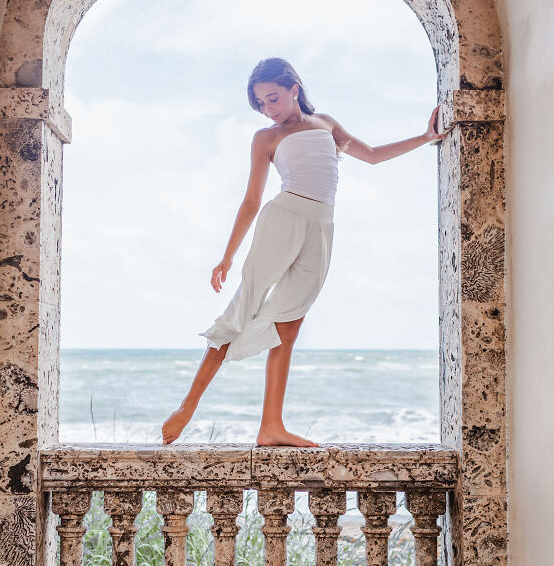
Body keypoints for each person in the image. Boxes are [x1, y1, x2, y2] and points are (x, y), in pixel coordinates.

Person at [161, 57, 447, 447]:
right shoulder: (266, 139)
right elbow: (250, 200)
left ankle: (271, 426)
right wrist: (227, 256)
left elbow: (373, 155)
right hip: (284, 218)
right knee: (242, 309)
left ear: (294, 88)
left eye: (273, 98)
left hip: (322, 229)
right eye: (261, 104)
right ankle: (187, 406)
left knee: (289, 326)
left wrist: (426, 137)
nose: (268, 109)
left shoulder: (326, 124)